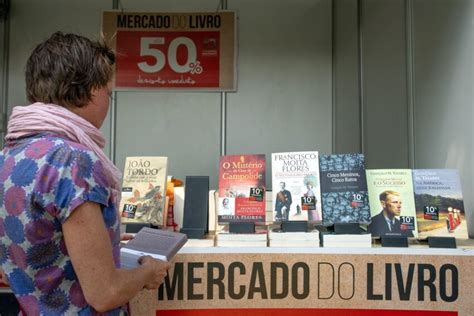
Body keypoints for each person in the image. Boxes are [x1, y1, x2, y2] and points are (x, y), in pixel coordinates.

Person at [0, 32, 170, 314]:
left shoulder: (10, 155)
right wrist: (147, 273)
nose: (109, 101)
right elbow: (105, 292)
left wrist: (107, 238)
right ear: (90, 89)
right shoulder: (73, 160)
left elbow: (40, 243)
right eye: (109, 93)